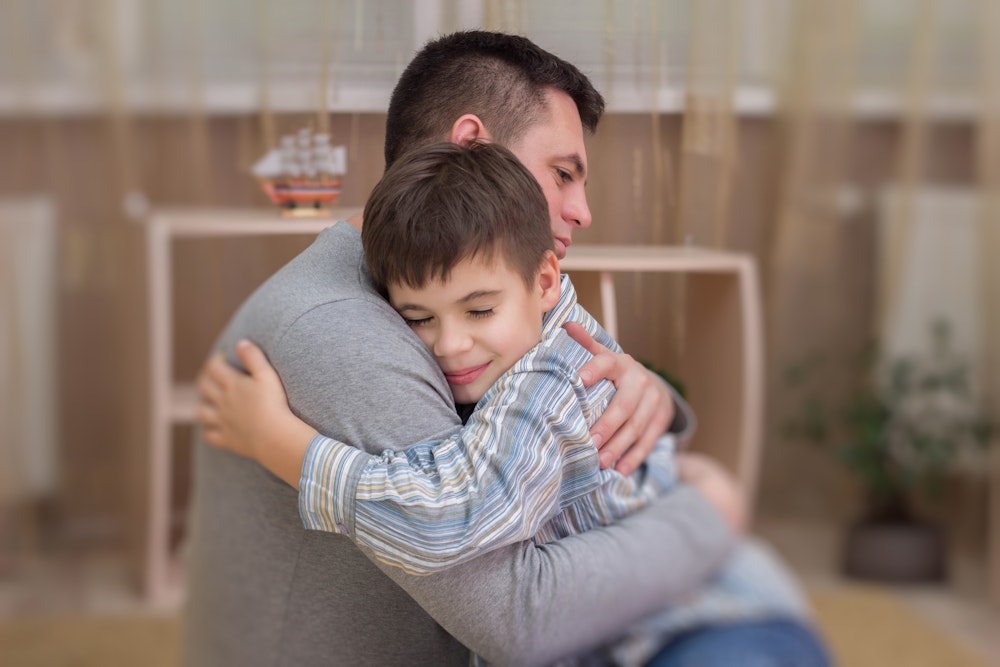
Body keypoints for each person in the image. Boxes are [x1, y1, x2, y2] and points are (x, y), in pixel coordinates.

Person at [183, 30, 745, 666]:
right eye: (562, 173)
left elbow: (567, 374)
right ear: (472, 146)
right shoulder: (345, 332)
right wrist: (708, 512)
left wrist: (646, 395)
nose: (582, 210)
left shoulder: (466, 291)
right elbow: (515, 615)